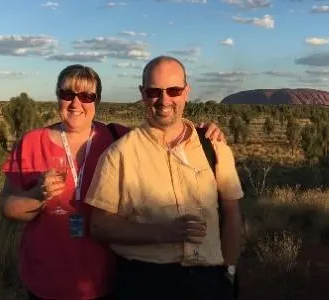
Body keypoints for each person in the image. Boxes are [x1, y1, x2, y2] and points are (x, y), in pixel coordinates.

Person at [0, 64, 225, 300]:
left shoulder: (118, 138)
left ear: (97, 101)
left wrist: (202, 132)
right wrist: (37, 195)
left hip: (107, 280)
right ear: (58, 96)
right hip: (45, 281)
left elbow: (167, 135)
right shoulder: (32, 143)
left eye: (87, 96)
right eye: (68, 94)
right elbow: (8, 207)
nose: (76, 104)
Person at [85, 56, 244, 300]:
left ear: (186, 92)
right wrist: (163, 233)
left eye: (174, 90)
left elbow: (232, 211)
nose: (164, 100)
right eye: (154, 92)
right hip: (146, 282)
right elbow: (99, 225)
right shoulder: (120, 154)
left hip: (209, 281)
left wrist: (229, 271)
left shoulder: (213, 146)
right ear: (142, 93)